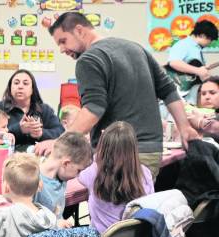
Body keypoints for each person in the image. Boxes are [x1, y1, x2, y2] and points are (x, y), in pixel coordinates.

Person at [42, 12, 197, 178]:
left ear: (79, 30)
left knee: (112, 204)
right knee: (138, 204)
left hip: (118, 155)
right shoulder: (136, 48)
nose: (61, 50)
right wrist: (184, 127)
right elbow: (168, 90)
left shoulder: (89, 59)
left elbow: (93, 109)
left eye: (63, 41)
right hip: (151, 151)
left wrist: (60, 144)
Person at [78, 121, 154, 233]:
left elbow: (80, 176)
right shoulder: (145, 173)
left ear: (102, 146)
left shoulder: (94, 172)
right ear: (133, 148)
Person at [0, 69, 64, 152]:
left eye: (25, 83)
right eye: (16, 83)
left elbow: (61, 133)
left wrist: (40, 133)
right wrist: (19, 129)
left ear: (32, 89)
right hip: (7, 158)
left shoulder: (45, 110)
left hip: (38, 159)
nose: (20, 86)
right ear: (10, 88)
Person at [35, 132, 92, 217]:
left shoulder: (61, 174)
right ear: (66, 163)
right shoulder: (33, 181)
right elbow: (29, 220)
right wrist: (56, 224)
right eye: (78, 171)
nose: (78, 176)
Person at [166, 20, 218, 103]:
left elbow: (198, 73)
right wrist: (197, 70)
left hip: (192, 93)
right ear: (203, 35)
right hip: (181, 92)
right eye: (210, 40)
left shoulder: (198, 49)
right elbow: (174, 62)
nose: (210, 43)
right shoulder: (183, 44)